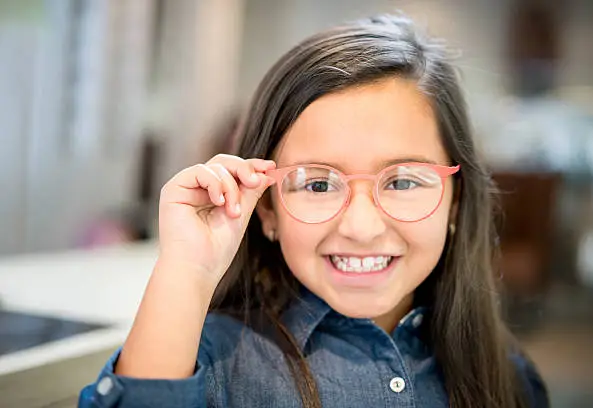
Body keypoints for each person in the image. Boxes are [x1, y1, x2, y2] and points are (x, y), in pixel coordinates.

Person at [79, 15, 549, 408]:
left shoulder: (506, 376)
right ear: (266, 210)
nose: (362, 227)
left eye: (404, 181)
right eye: (318, 183)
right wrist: (186, 270)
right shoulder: (210, 363)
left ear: (456, 200)